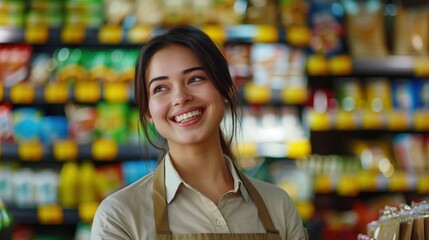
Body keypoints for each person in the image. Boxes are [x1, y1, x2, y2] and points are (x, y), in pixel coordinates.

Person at [91, 25, 308, 240]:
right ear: (148, 111)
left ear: (225, 89)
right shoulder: (120, 216)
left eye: (195, 79)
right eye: (161, 88)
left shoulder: (278, 206)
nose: (180, 97)